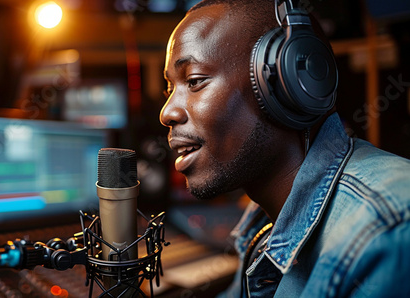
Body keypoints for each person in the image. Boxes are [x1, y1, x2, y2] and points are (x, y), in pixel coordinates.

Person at [159, 0, 410, 297]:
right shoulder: (264, 219)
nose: (166, 112)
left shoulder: (387, 230)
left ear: (288, 81)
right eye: (169, 89)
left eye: (194, 81)